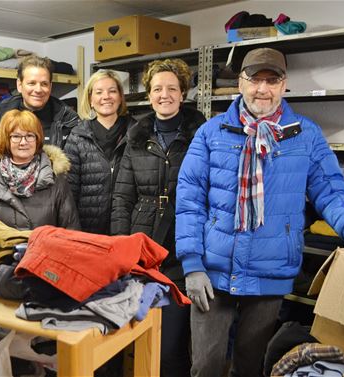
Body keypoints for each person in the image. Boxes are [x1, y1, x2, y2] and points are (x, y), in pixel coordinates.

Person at [175, 47, 344, 377]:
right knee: (206, 365)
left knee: (250, 365)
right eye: (254, 79)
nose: (262, 88)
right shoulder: (211, 133)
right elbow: (190, 200)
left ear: (284, 84)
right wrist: (191, 263)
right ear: (240, 83)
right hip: (213, 271)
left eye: (271, 80)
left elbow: (331, 190)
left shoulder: (305, 136)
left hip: (270, 271)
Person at [110, 59, 206, 376]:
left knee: (172, 346)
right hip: (143, 249)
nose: (164, 95)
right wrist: (122, 251)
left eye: (171, 88)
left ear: (183, 93)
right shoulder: (136, 137)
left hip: (183, 246)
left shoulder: (200, 136)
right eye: (157, 89)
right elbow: (123, 196)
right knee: (138, 337)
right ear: (149, 95)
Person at [0, 109, 80, 231]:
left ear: (38, 139)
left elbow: (71, 228)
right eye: (16, 136)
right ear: (6, 139)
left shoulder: (56, 177)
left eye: (30, 136)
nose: (23, 142)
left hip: (44, 249)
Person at [64, 70, 134, 235]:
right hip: (88, 231)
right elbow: (70, 193)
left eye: (112, 91)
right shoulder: (78, 136)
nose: (106, 96)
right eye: (99, 92)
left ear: (120, 97)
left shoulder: (136, 133)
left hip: (128, 228)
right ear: (90, 99)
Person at [0, 55, 79, 149]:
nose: (38, 90)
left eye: (44, 84)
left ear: (50, 87)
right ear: (19, 85)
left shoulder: (67, 119)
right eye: (32, 83)